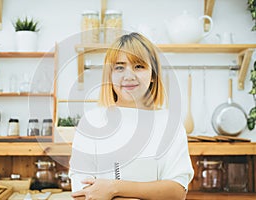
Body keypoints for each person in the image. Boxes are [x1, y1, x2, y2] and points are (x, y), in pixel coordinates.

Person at [69, 32, 194, 200]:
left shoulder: (168, 124)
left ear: (153, 75)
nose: (129, 76)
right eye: (119, 67)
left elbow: (177, 191)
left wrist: (113, 188)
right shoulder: (91, 122)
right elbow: (82, 193)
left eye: (139, 66)